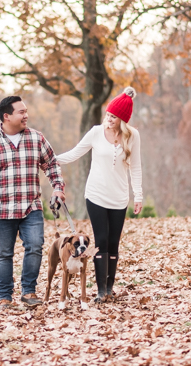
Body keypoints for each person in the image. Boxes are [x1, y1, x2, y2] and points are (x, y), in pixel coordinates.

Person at [0, 96, 66, 309]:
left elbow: (51, 164)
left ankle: (29, 291)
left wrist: (58, 187)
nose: (26, 115)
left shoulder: (36, 138)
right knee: (4, 253)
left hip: (30, 206)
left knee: (35, 246)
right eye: (21, 112)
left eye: (26, 111)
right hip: (0, 209)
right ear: (7, 116)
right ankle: (5, 296)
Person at [56, 86, 142, 303]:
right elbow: (76, 152)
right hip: (95, 194)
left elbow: (136, 167)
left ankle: (110, 287)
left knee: (114, 242)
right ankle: (101, 291)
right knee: (101, 240)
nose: (109, 119)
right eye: (108, 114)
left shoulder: (133, 136)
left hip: (119, 197)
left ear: (123, 119)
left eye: (114, 117)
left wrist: (138, 195)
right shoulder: (96, 132)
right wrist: (52, 159)